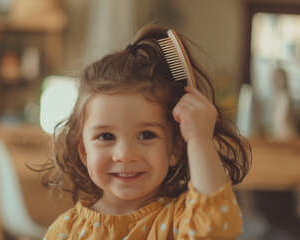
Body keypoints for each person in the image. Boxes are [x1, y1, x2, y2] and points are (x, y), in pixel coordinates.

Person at [40, 24, 251, 239]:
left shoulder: (179, 222)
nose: (125, 154)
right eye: (106, 136)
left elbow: (217, 227)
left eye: (146, 135)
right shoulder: (65, 232)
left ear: (175, 148)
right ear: (84, 151)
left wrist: (199, 138)